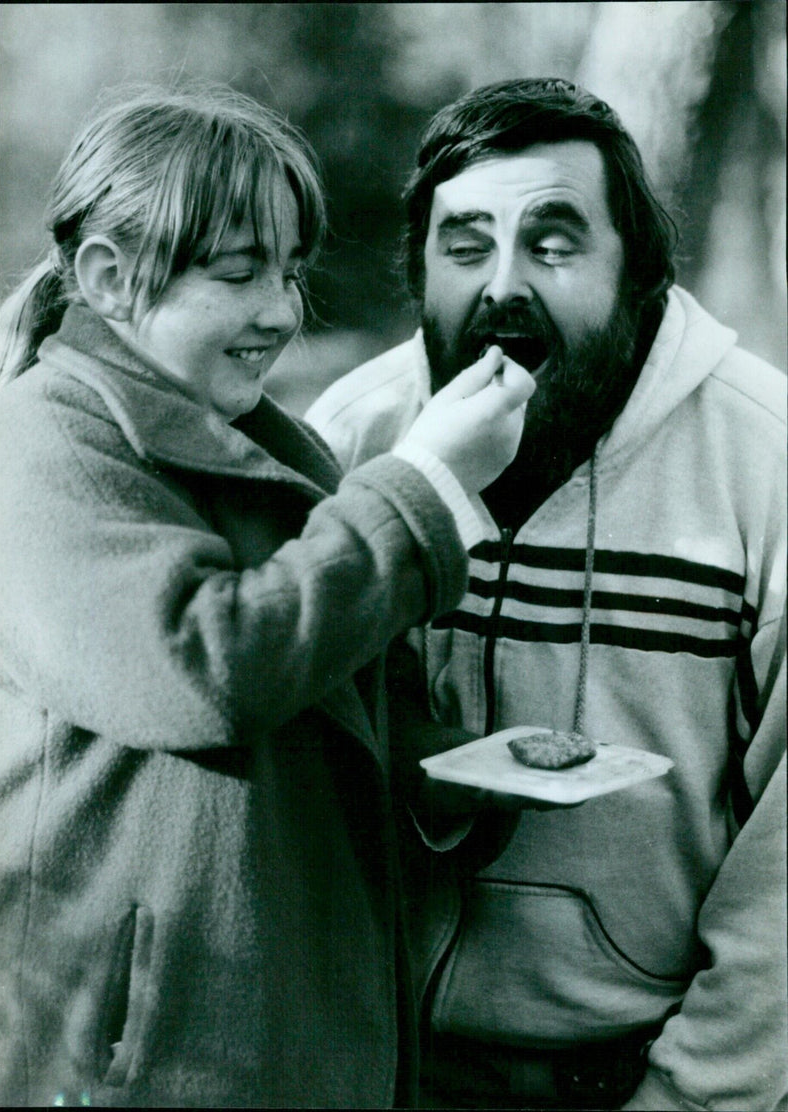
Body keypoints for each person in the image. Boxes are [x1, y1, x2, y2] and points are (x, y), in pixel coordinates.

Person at [0, 85, 537, 1109]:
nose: (283, 311)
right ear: (110, 276)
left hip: (284, 1043)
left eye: (290, 271)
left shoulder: (274, 448)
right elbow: (206, 671)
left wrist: (450, 781)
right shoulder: (40, 441)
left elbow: (326, 715)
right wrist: (420, 482)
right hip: (135, 1068)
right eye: (241, 274)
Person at [306, 77, 787, 1111]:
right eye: (465, 243)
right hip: (374, 1065)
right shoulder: (355, 434)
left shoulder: (763, 460)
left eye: (554, 242)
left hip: (633, 1073)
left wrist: (693, 1097)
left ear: (640, 273)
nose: (502, 288)